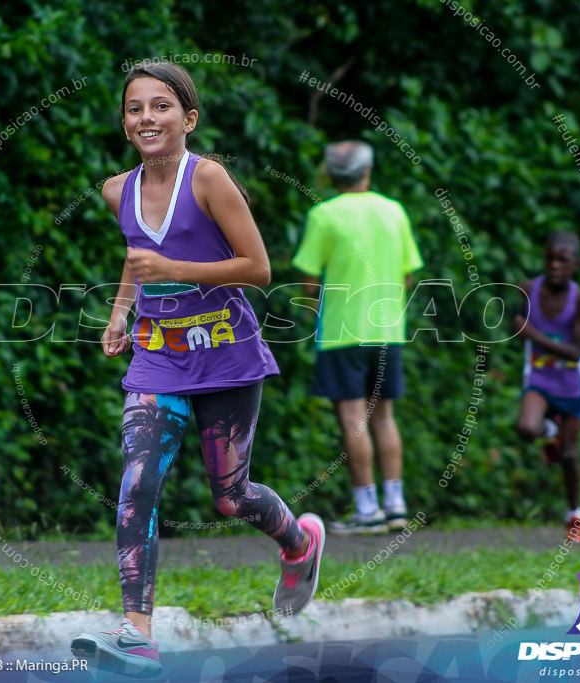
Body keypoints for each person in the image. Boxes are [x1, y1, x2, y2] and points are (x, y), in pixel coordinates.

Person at [69, 63, 325, 677]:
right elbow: (137, 256)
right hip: (157, 357)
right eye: (135, 108)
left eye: (161, 107)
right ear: (125, 122)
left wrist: (173, 270)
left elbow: (258, 267)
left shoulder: (208, 178)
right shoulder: (115, 190)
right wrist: (121, 312)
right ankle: (137, 633)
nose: (147, 118)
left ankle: (300, 543)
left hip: (227, 355)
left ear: (188, 119)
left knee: (230, 498)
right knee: (138, 484)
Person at [292, 140, 423, 535]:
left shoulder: (324, 215)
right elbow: (408, 274)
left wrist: (311, 304)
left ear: (331, 176)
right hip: (387, 330)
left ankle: (367, 509)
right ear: (367, 171)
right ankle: (396, 505)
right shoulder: (393, 211)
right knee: (383, 417)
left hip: (341, 333)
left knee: (353, 418)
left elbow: (308, 283)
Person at [513, 231, 580, 544]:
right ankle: (549, 432)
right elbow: (513, 319)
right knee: (525, 429)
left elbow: (576, 351)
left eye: (563, 260)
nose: (554, 265)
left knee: (569, 456)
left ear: (576, 265)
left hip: (572, 382)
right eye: (549, 258)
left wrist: (533, 335)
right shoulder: (528, 289)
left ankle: (575, 516)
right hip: (540, 378)